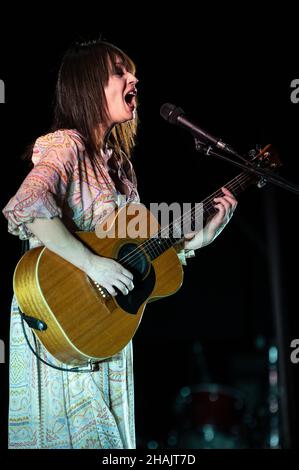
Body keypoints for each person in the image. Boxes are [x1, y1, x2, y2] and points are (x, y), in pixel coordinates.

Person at [2, 39, 237, 449]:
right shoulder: (65, 145)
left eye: (132, 72)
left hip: (103, 329)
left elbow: (138, 249)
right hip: (63, 317)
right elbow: (32, 207)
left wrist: (204, 235)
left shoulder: (120, 167)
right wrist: (93, 265)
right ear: (89, 84)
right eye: (119, 71)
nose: (135, 79)